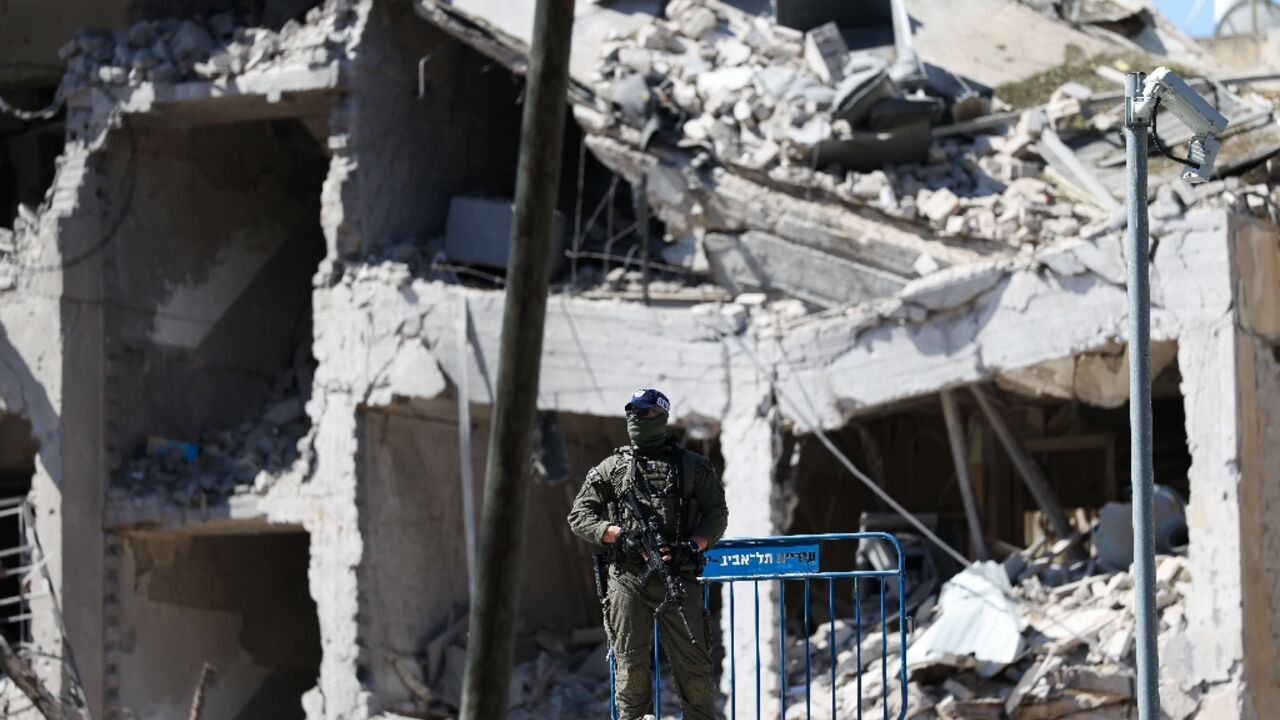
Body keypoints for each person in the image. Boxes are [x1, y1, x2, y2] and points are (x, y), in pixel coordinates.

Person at [567, 388, 728, 720]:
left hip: (677, 575)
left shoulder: (691, 467)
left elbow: (717, 514)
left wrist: (691, 545)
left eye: (648, 413)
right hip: (628, 578)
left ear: (663, 417)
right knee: (631, 669)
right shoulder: (613, 467)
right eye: (634, 413)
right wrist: (618, 535)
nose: (639, 419)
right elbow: (579, 516)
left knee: (695, 669)